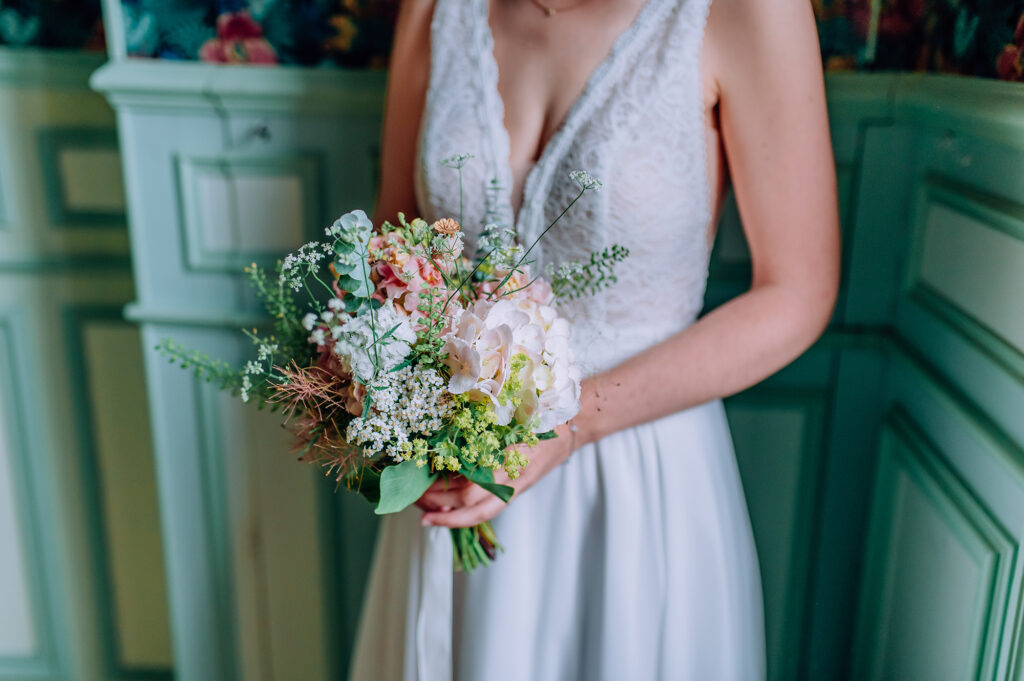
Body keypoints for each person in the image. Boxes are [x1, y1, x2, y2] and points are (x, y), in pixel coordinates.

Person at [350, 0, 839, 678]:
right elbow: (395, 242)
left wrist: (572, 424)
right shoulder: (432, 9)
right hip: (456, 479)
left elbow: (798, 292)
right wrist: (376, 376)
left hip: (636, 487)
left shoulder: (749, 10)